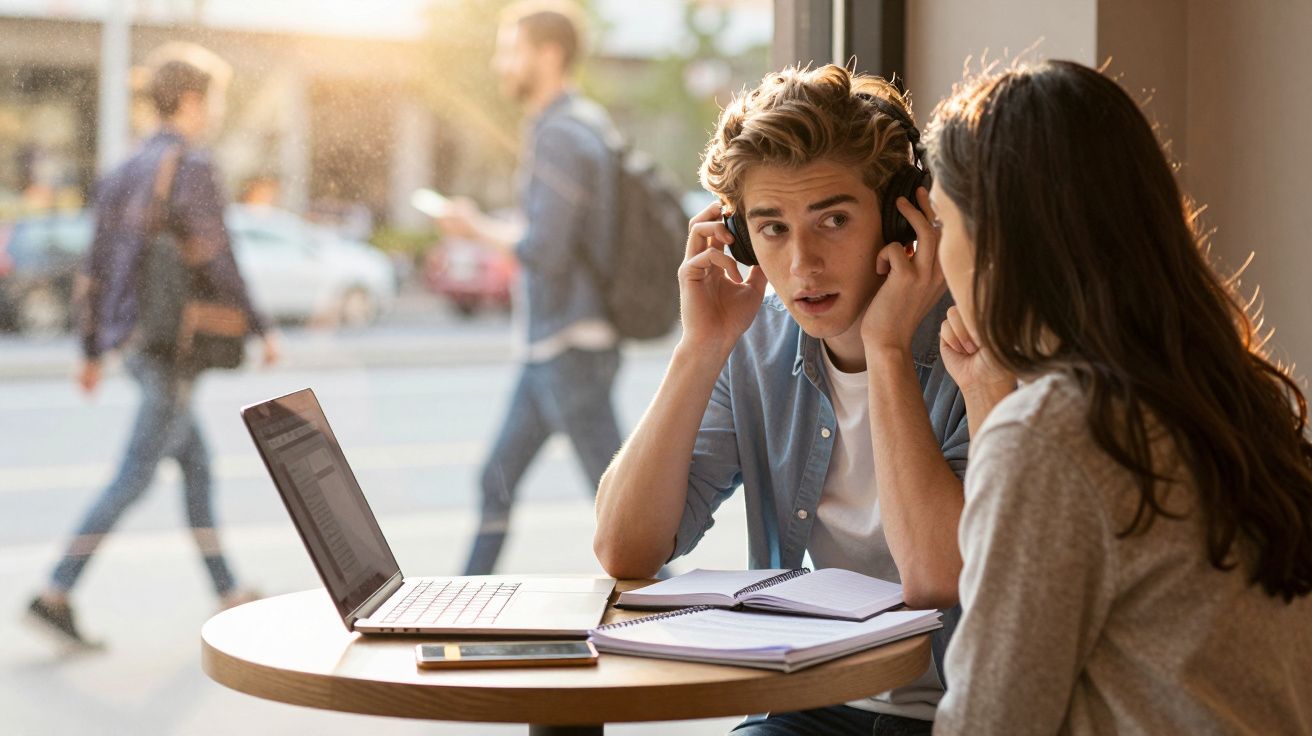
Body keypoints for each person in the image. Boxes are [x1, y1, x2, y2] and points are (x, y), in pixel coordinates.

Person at [924, 60, 1312, 733]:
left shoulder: (1055, 433)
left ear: (998, 243)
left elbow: (991, 721)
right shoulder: (1237, 400)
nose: (935, 255)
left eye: (942, 223)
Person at [595, 64, 976, 735]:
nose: (802, 263)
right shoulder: (755, 344)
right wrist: (700, 348)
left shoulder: (970, 347)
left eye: (833, 219)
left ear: (899, 218)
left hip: (955, 711)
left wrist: (887, 351)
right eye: (771, 228)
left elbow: (940, 575)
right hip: (810, 707)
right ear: (739, 238)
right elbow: (626, 548)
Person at [25, 43, 279, 647]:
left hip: (139, 342)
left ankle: (227, 592)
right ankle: (56, 590)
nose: (214, 111)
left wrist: (90, 349)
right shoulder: (191, 165)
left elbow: (96, 265)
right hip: (175, 345)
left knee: (196, 467)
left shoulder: (126, 167)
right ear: (192, 100)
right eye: (212, 99)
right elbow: (218, 256)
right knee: (135, 475)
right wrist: (262, 326)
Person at [435, 0, 623, 576]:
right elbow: (554, 234)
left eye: (510, 50)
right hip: (550, 347)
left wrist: (474, 230)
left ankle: (682, 629)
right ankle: (459, 609)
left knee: (620, 509)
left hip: (572, 346)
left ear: (548, 54)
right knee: (496, 479)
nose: (500, 64)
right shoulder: (577, 123)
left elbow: (546, 249)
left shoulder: (561, 133)